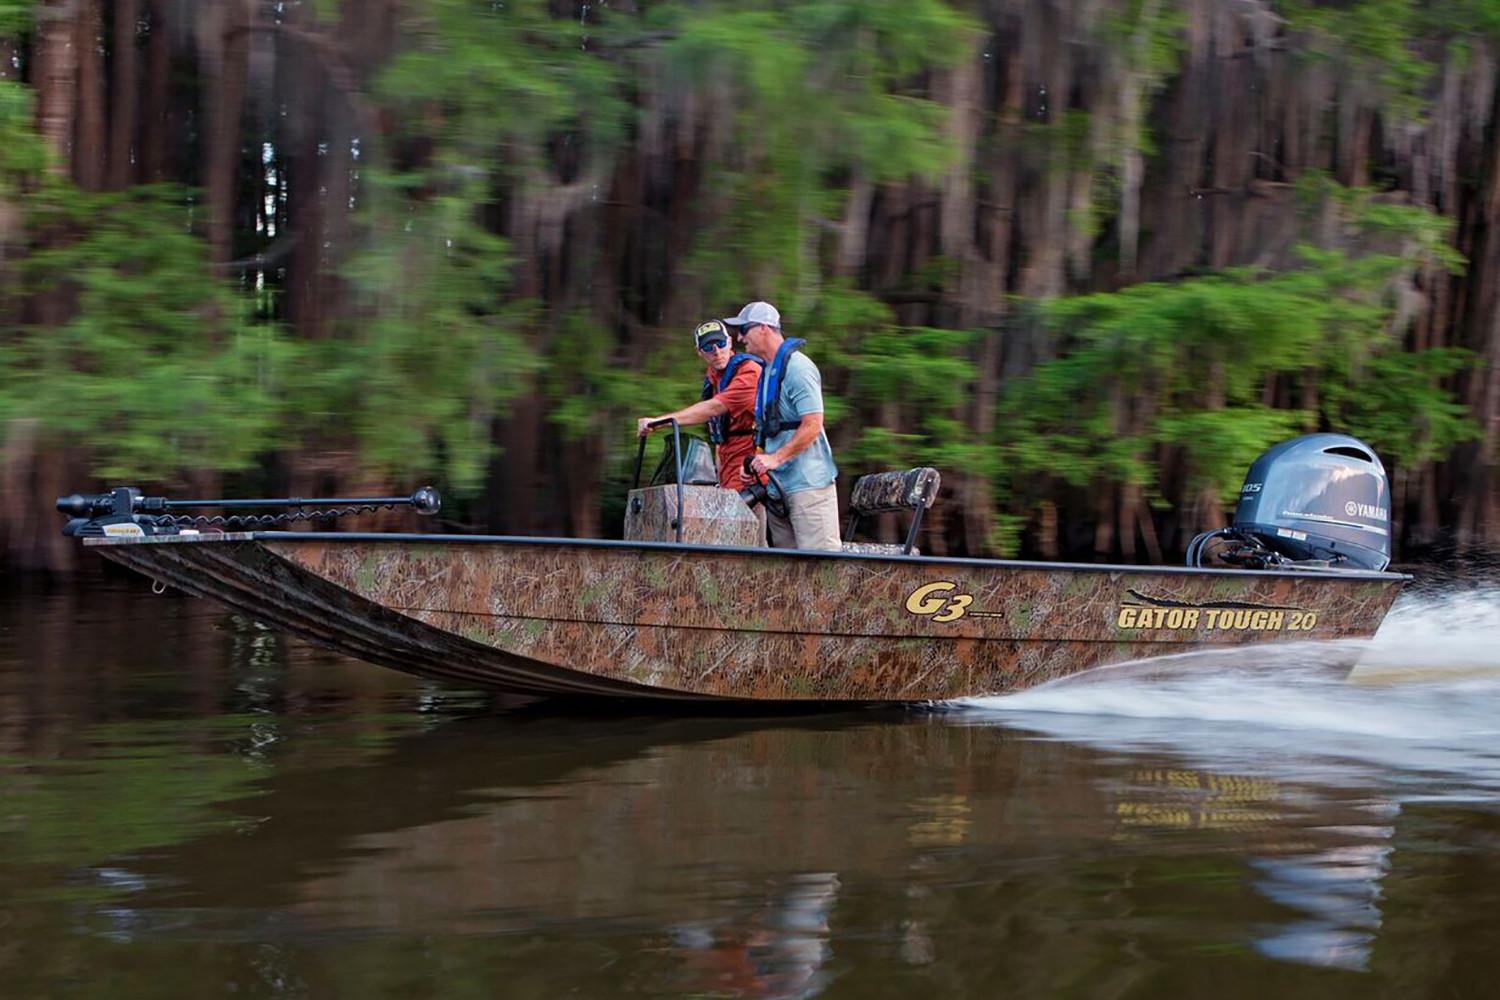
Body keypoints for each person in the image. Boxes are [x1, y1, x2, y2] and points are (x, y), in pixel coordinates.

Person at [723, 301, 840, 551]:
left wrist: (775, 459)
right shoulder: (766, 371)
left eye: (745, 329)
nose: (741, 337)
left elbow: (813, 424)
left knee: (823, 573)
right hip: (778, 491)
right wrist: (756, 464)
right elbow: (769, 430)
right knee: (787, 575)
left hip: (809, 488)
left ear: (764, 328)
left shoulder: (799, 368)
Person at [637, 320, 762, 490]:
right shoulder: (713, 375)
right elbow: (720, 432)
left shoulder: (749, 372)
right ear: (699, 352)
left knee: (746, 511)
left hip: (752, 465)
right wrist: (717, 470)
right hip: (727, 465)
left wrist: (658, 422)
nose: (717, 352)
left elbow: (714, 408)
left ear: (730, 342)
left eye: (721, 343)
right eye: (709, 348)